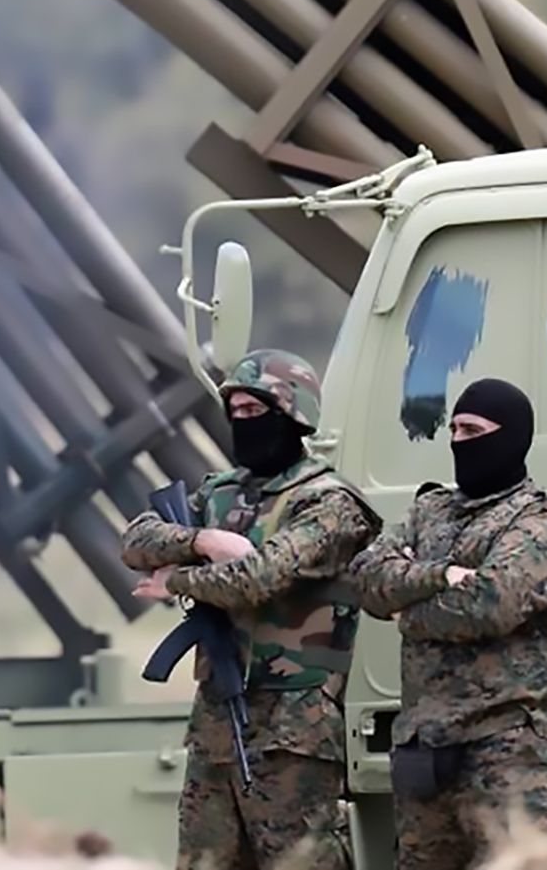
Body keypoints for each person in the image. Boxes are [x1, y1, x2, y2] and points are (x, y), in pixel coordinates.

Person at [121, 349, 381, 870]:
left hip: (294, 731)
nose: (242, 422)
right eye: (234, 412)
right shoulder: (219, 494)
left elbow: (260, 578)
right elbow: (135, 540)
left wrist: (176, 577)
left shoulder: (330, 503)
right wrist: (205, 539)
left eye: (255, 411)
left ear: (293, 416)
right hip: (216, 725)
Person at [349, 378, 547, 870]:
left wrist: (408, 612)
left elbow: (490, 604)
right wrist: (439, 574)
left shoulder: (539, 520)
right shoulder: (430, 510)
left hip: (509, 749)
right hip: (427, 751)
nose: (460, 440)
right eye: (455, 429)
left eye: (474, 429)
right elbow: (365, 577)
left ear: (510, 436)